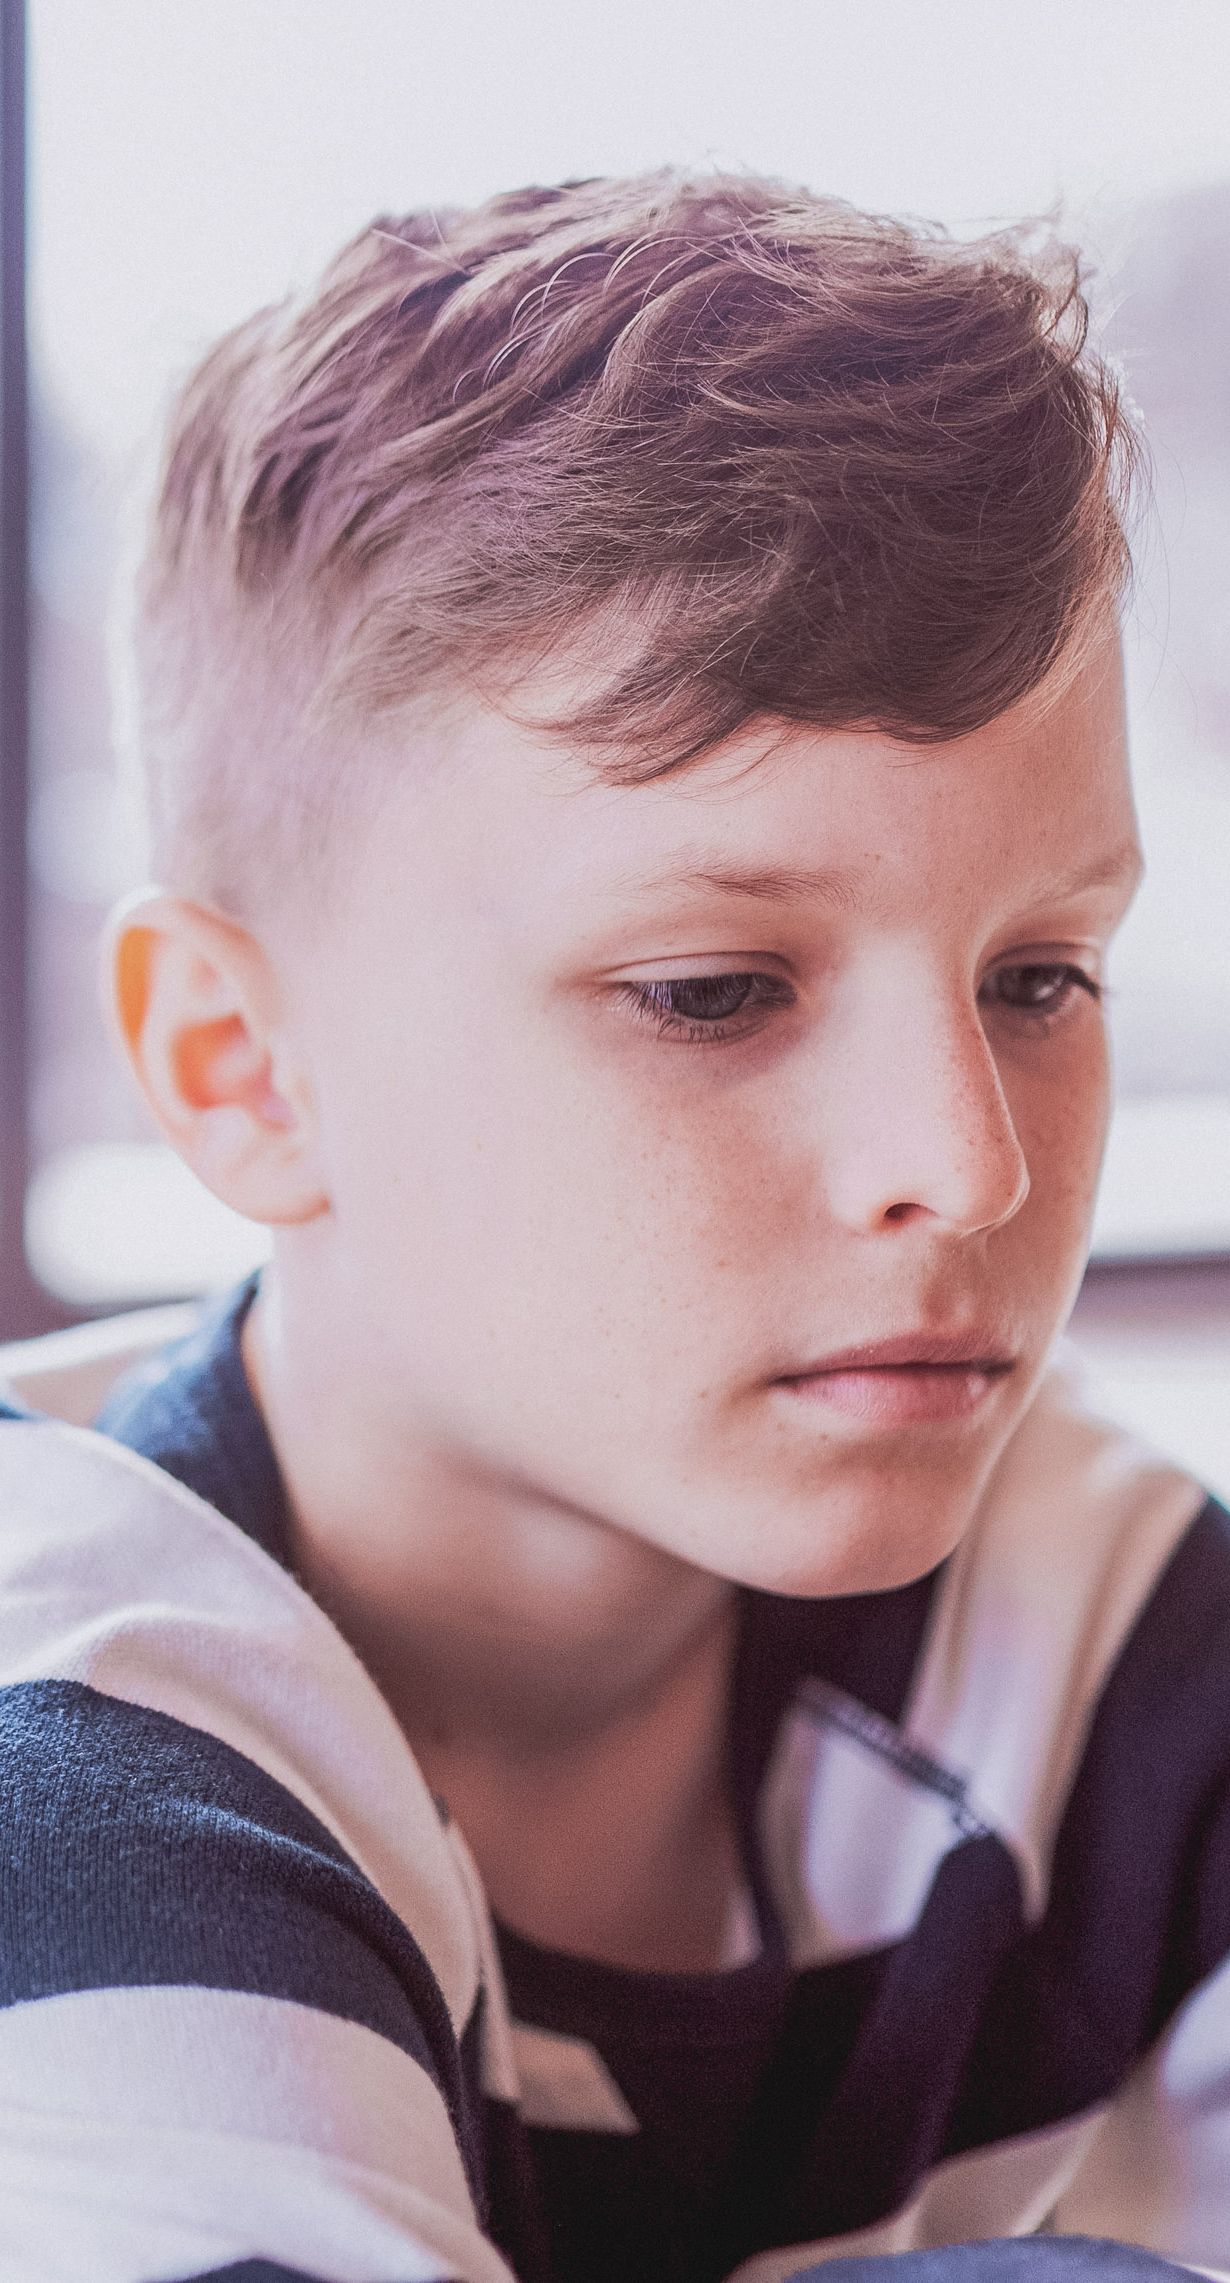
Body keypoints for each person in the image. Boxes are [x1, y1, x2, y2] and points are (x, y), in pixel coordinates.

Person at [0, 169, 1225, 2283]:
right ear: (239, 1066)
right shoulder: (66, 1741)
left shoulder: (1112, 1624)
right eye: (714, 991)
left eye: (1041, 974)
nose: (971, 1164)